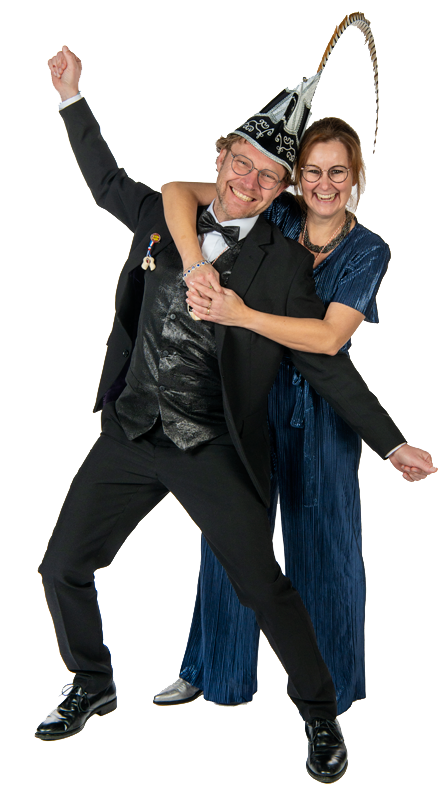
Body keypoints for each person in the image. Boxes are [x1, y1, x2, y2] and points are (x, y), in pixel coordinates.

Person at [37, 46, 435, 785]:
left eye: (268, 176)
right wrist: (71, 97)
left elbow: (325, 360)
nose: (249, 183)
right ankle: (92, 681)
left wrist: (391, 444)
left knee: (263, 584)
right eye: (241, 164)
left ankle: (320, 713)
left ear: (282, 190)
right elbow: (105, 181)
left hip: (209, 444)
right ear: (219, 157)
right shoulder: (166, 216)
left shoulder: (283, 265)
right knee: (61, 566)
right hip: (130, 431)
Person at [152, 117, 400, 714]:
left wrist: (242, 316)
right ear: (296, 177)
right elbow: (177, 193)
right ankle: (213, 669)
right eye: (311, 171)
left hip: (323, 414)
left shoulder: (369, 250)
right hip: (249, 398)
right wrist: (194, 261)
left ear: (355, 177)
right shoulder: (278, 211)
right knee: (230, 540)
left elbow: (328, 338)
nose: (323, 184)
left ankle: (330, 690)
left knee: (326, 551)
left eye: (337, 172)